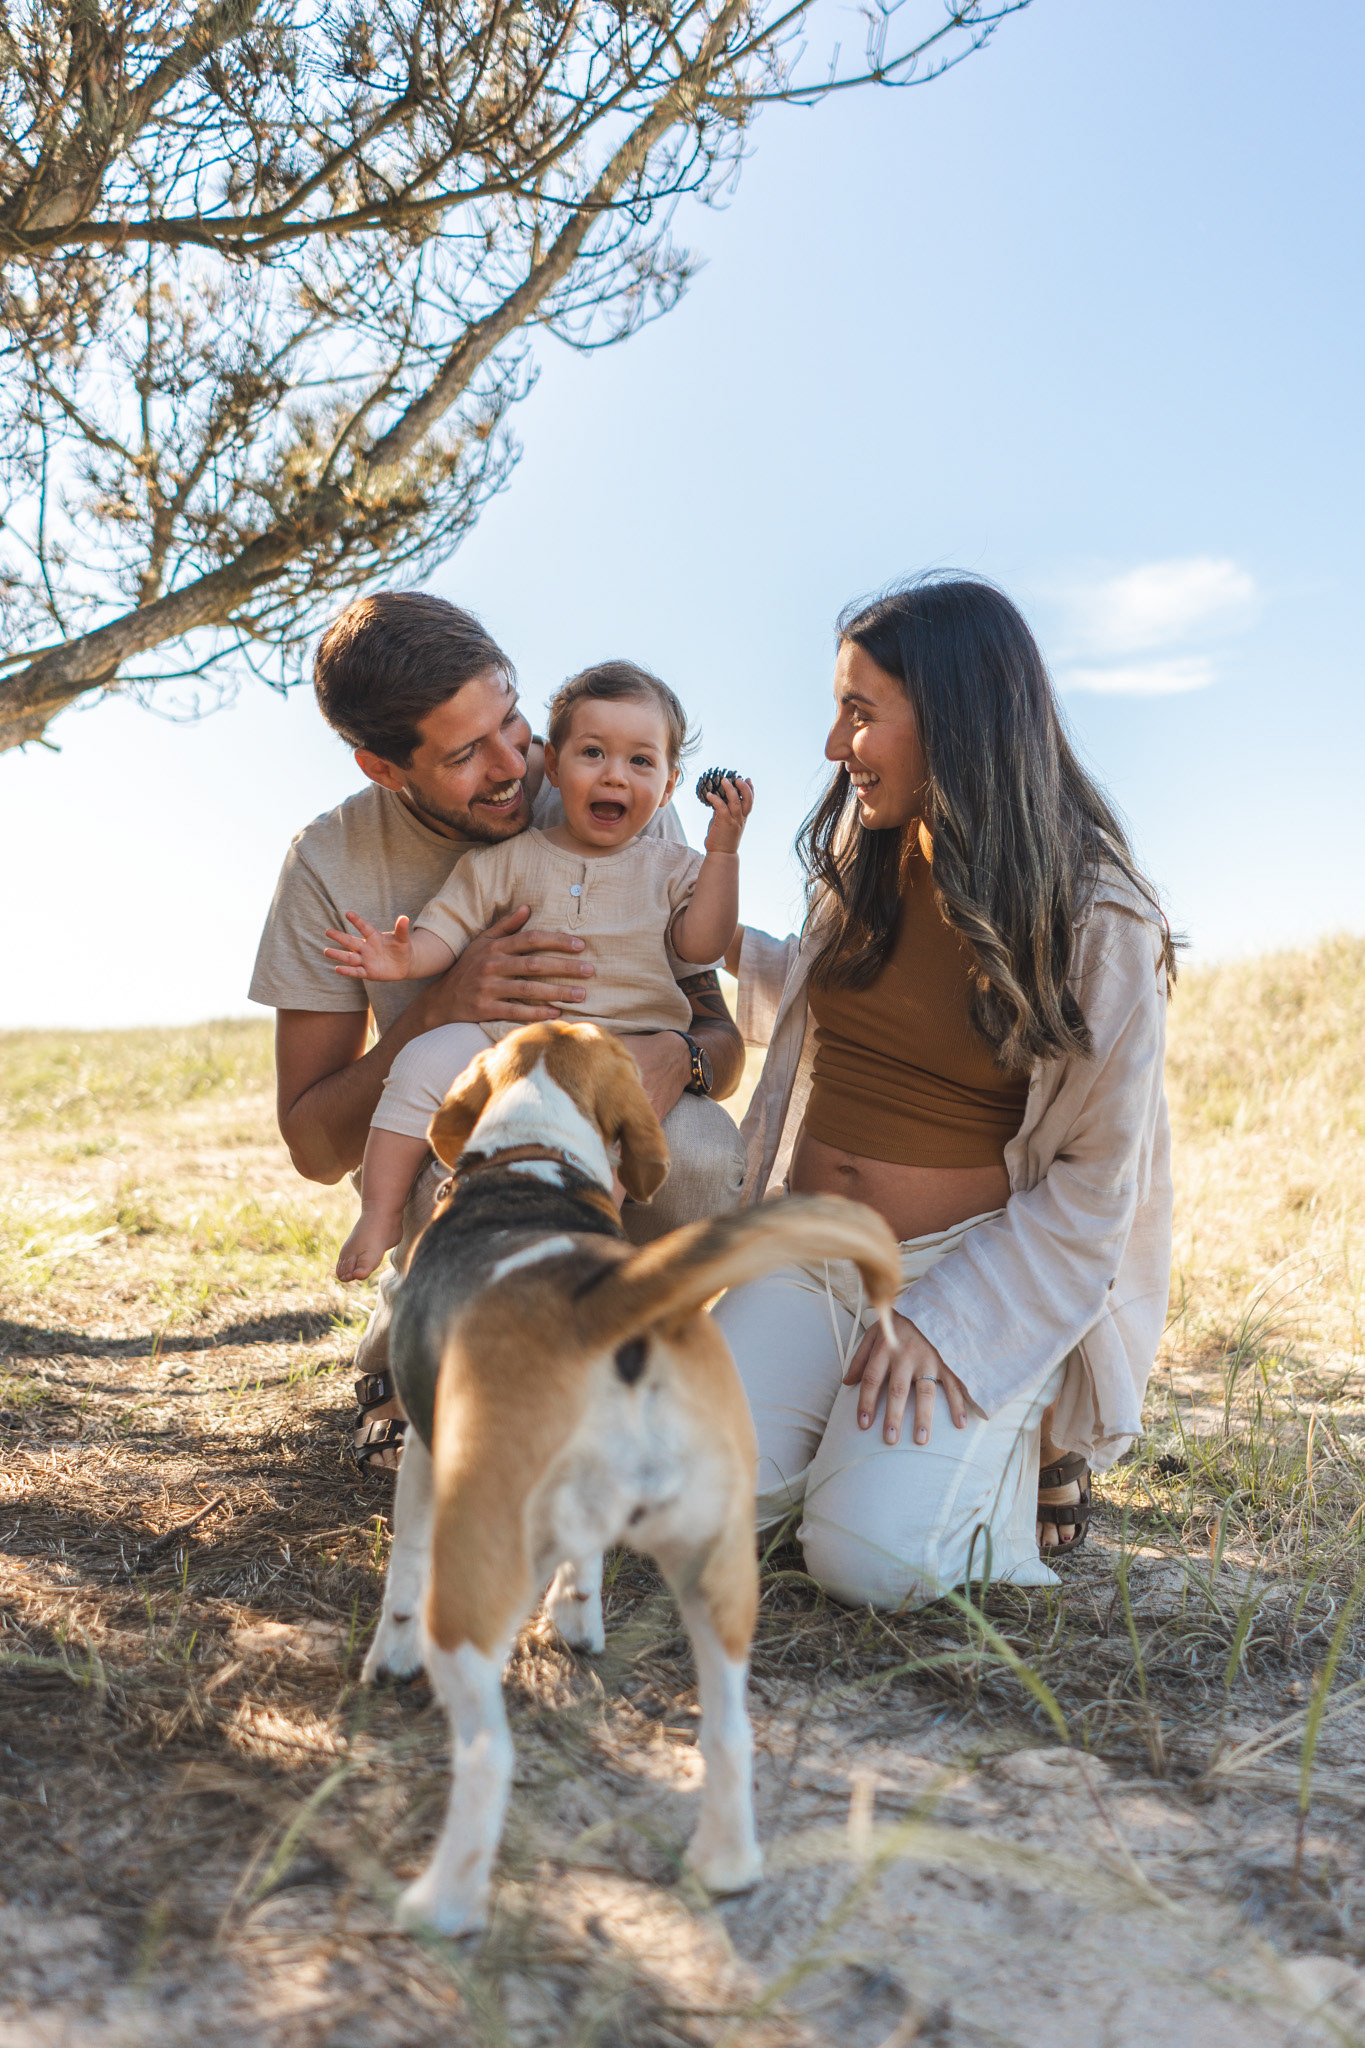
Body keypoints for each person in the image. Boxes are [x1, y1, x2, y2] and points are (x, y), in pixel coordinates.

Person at [715, 575, 1175, 1609]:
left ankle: (1023, 1438)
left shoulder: (1099, 918)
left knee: (866, 1560)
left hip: (950, 1278)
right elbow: (835, 1007)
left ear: (961, 719)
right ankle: (854, 1445)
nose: (836, 745)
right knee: (681, 1510)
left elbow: (1099, 1180)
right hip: (802, 1251)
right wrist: (702, 946)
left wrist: (950, 1326)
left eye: (862, 713)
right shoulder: (864, 850)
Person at [249, 592, 747, 1471]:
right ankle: (415, 1349)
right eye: (465, 754)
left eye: (513, 723)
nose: (516, 766)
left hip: (612, 1092)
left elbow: (720, 1036)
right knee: (446, 1155)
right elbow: (315, 1143)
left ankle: (615, 1357)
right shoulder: (331, 864)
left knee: (704, 1156)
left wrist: (680, 1055)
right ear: (384, 768)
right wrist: (439, 1009)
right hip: (460, 1116)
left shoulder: (609, 781)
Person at [324, 660, 753, 1280]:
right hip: (506, 1039)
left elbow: (702, 940)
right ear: (553, 767)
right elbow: (449, 925)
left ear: (667, 786)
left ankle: (588, 1261)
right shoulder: (510, 859)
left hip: (617, 1051)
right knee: (419, 1063)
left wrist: (723, 854)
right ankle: (380, 1212)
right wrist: (405, 956)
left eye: (640, 761)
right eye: (593, 753)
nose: (614, 774)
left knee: (601, 1145)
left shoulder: (677, 866)